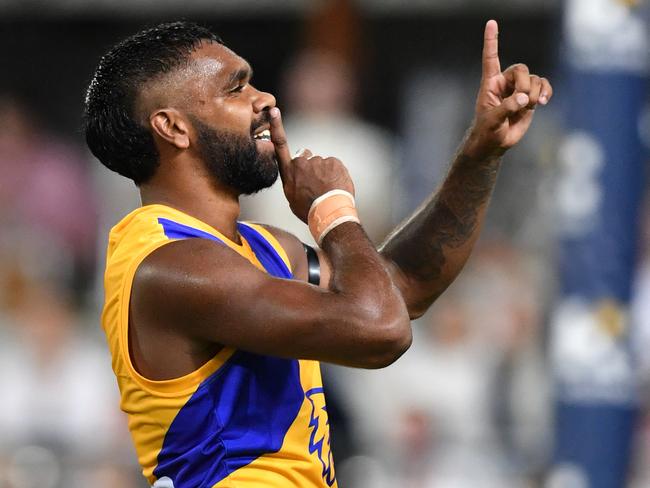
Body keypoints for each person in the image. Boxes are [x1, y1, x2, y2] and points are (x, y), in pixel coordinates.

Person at [83, 19, 552, 488]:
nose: (264, 100)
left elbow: (400, 290)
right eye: (236, 88)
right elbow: (381, 329)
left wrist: (480, 151)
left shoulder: (262, 247)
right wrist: (332, 211)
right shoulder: (173, 267)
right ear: (173, 127)